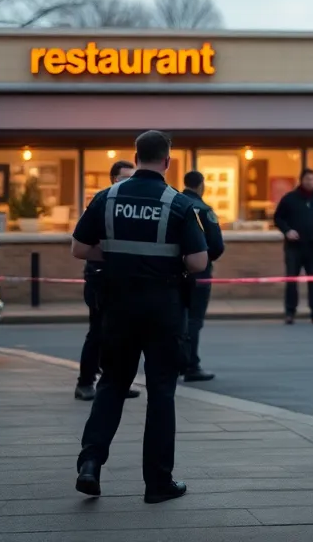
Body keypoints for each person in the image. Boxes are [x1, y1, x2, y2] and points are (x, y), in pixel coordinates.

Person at [72, 130, 209, 504]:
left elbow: (79, 248)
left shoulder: (107, 197)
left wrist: (117, 257)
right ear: (167, 161)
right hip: (163, 309)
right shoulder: (178, 204)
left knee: (112, 384)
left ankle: (90, 464)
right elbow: (198, 261)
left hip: (117, 305)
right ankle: (157, 483)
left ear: (135, 157)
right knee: (161, 392)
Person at [75, 160, 141, 402]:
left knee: (122, 334)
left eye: (133, 177)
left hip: (125, 279)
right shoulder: (102, 202)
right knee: (98, 332)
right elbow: (80, 246)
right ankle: (84, 383)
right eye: (124, 177)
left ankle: (117, 382)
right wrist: (110, 256)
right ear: (113, 178)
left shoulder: (133, 207)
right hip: (101, 277)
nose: (129, 182)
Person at [181, 170, 225, 381]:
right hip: (199, 273)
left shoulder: (175, 205)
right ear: (201, 185)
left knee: (177, 318)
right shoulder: (204, 210)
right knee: (194, 319)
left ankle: (176, 362)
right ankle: (191, 365)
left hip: (175, 273)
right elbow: (216, 245)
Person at [274, 169, 313, 324]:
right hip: (294, 248)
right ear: (301, 180)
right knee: (292, 280)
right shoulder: (289, 199)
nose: (311, 182)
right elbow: (278, 218)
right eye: (308, 179)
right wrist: (287, 231)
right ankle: (290, 312)